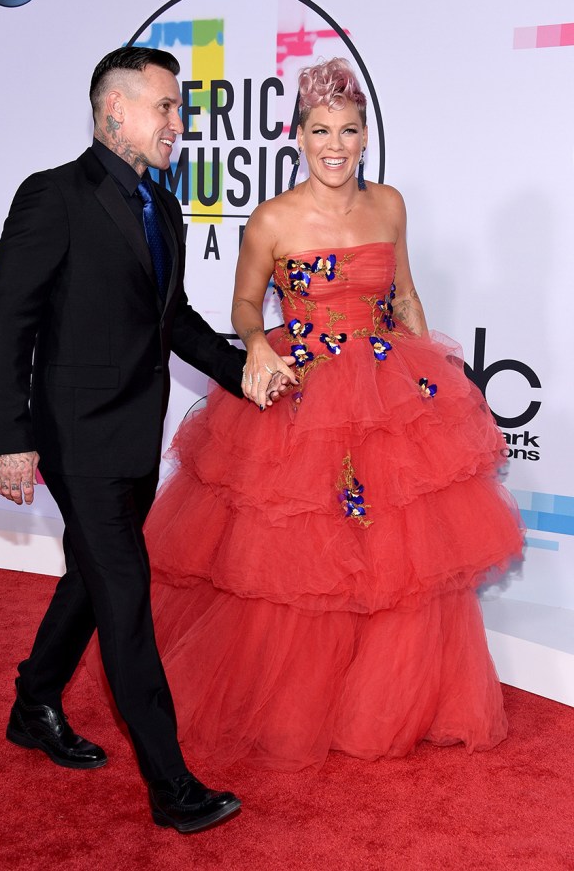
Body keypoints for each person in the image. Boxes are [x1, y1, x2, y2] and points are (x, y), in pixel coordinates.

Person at [139, 58, 524, 771]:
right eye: (321, 130)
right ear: (298, 136)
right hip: (304, 387)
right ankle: (298, 698)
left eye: (349, 129)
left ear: (365, 136)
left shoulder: (390, 207)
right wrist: (254, 344)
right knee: (302, 557)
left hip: (386, 381)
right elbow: (244, 304)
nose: (335, 144)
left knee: (393, 555)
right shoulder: (272, 219)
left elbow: (404, 295)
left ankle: (383, 697)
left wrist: (432, 386)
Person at [0, 46, 292, 832]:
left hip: (134, 433)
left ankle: (33, 700)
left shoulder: (164, 204)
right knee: (124, 597)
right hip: (75, 437)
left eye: (177, 111)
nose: (176, 125)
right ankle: (172, 786)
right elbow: (5, 321)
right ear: (114, 111)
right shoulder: (52, 196)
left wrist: (245, 371)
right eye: (166, 109)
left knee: (90, 575)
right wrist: (9, 438)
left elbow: (173, 318)